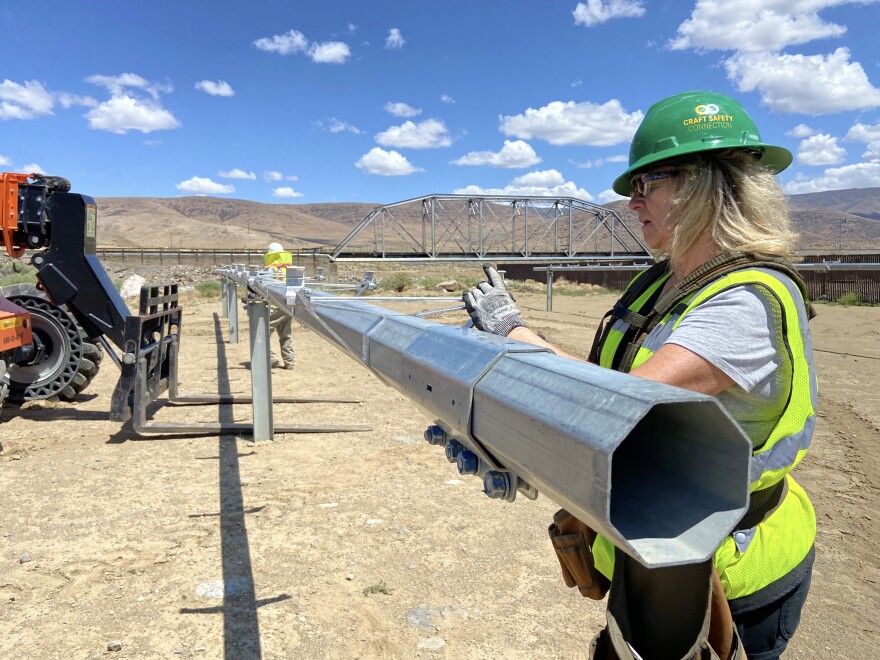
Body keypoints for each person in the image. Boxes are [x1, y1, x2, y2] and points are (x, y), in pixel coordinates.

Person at [463, 91, 816, 659]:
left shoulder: (746, 301)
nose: (632, 202)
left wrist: (514, 334)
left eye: (645, 184)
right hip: (659, 551)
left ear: (702, 185)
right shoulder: (669, 282)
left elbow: (616, 403)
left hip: (725, 571)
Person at [264, 242, 295, 370]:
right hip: (288, 306)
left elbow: (262, 284)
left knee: (263, 332)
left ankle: (271, 358)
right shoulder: (289, 269)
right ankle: (290, 362)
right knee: (285, 334)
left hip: (275, 307)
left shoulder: (272, 269)